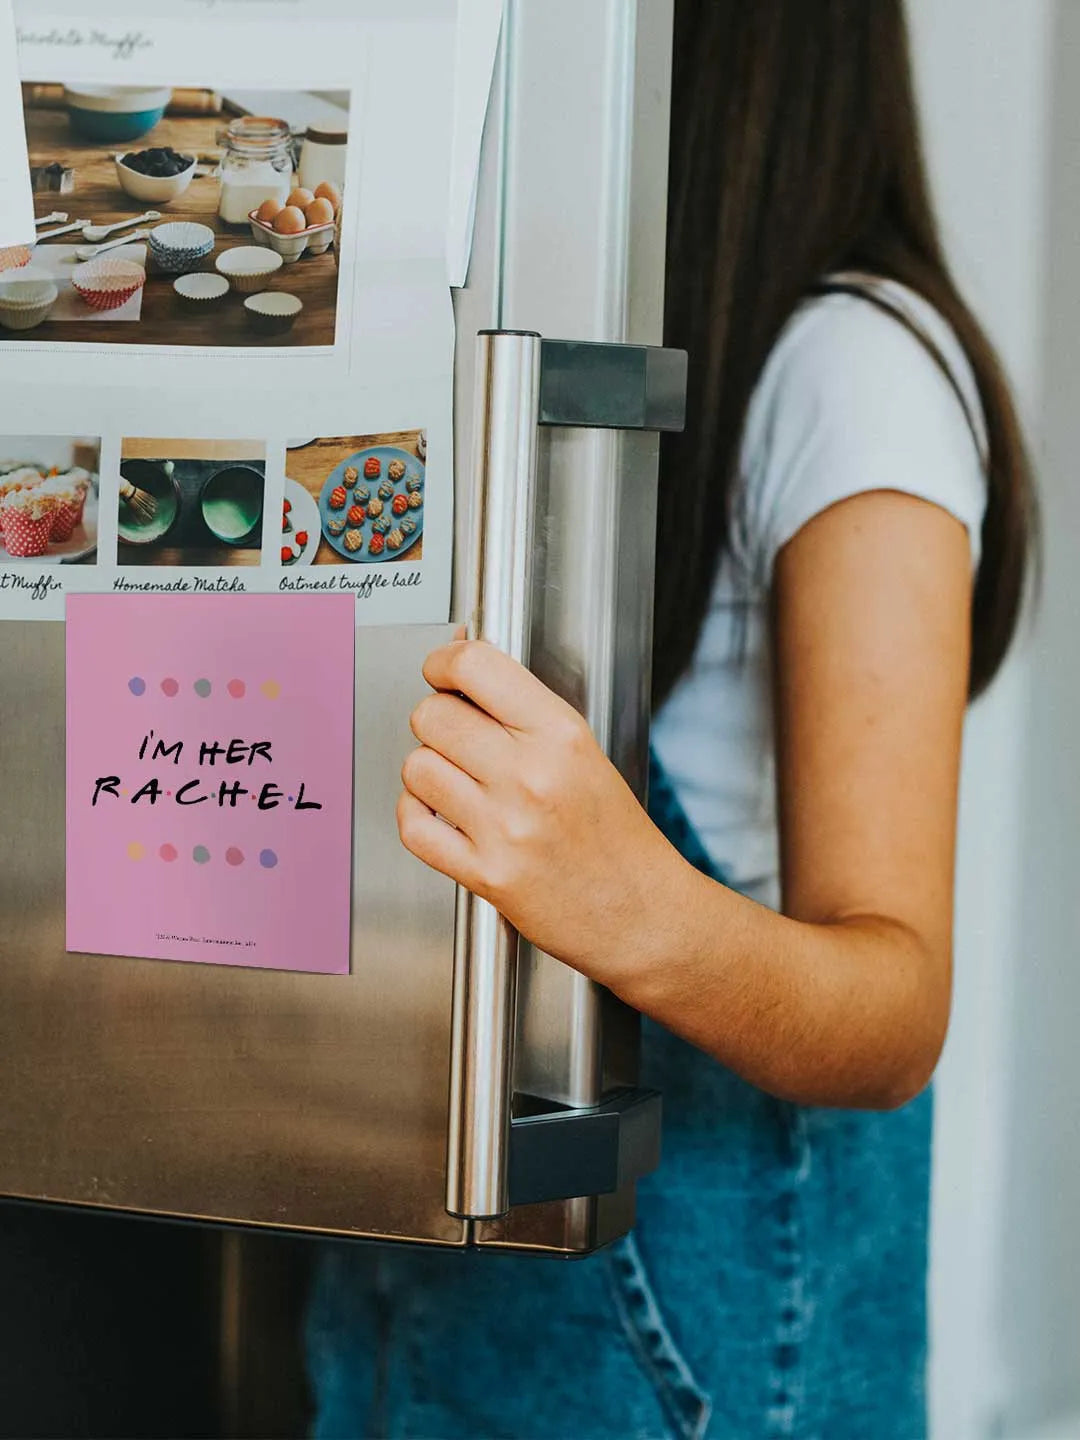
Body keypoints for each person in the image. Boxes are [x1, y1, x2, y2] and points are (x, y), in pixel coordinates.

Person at [306, 1, 1036, 1435]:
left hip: (683, 1361)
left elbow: (895, 1011)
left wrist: (626, 899)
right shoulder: (528, 345)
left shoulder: (854, 368)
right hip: (410, 1306)